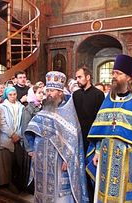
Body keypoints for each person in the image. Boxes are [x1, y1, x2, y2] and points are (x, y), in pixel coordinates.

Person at [87, 54, 132, 202]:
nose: (114, 76)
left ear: (129, 78)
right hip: (106, 156)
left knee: (125, 195)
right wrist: (98, 151)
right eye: (113, 72)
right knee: (103, 192)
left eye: (118, 73)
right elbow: (100, 130)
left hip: (128, 159)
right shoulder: (109, 100)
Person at [25, 71, 89, 203]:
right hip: (42, 158)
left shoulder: (68, 112)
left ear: (60, 92)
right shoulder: (45, 109)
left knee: (60, 194)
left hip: (60, 160)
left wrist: (69, 159)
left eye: (52, 90)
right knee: (42, 190)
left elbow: (73, 138)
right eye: (47, 90)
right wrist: (32, 150)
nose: (48, 93)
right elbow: (32, 130)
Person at [73, 66, 105, 201]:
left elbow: (101, 119)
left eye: (79, 77)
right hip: (78, 138)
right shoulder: (75, 95)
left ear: (88, 77)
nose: (77, 80)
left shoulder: (98, 94)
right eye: (76, 77)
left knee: (91, 170)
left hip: (93, 139)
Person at [0, 87, 24, 193]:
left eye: (14, 94)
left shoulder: (21, 106)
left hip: (17, 137)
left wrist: (18, 135)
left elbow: (22, 122)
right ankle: (6, 183)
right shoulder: (2, 106)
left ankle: (15, 182)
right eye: (10, 95)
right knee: (6, 163)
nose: (13, 96)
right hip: (7, 137)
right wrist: (12, 134)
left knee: (15, 163)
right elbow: (2, 123)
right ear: (6, 95)